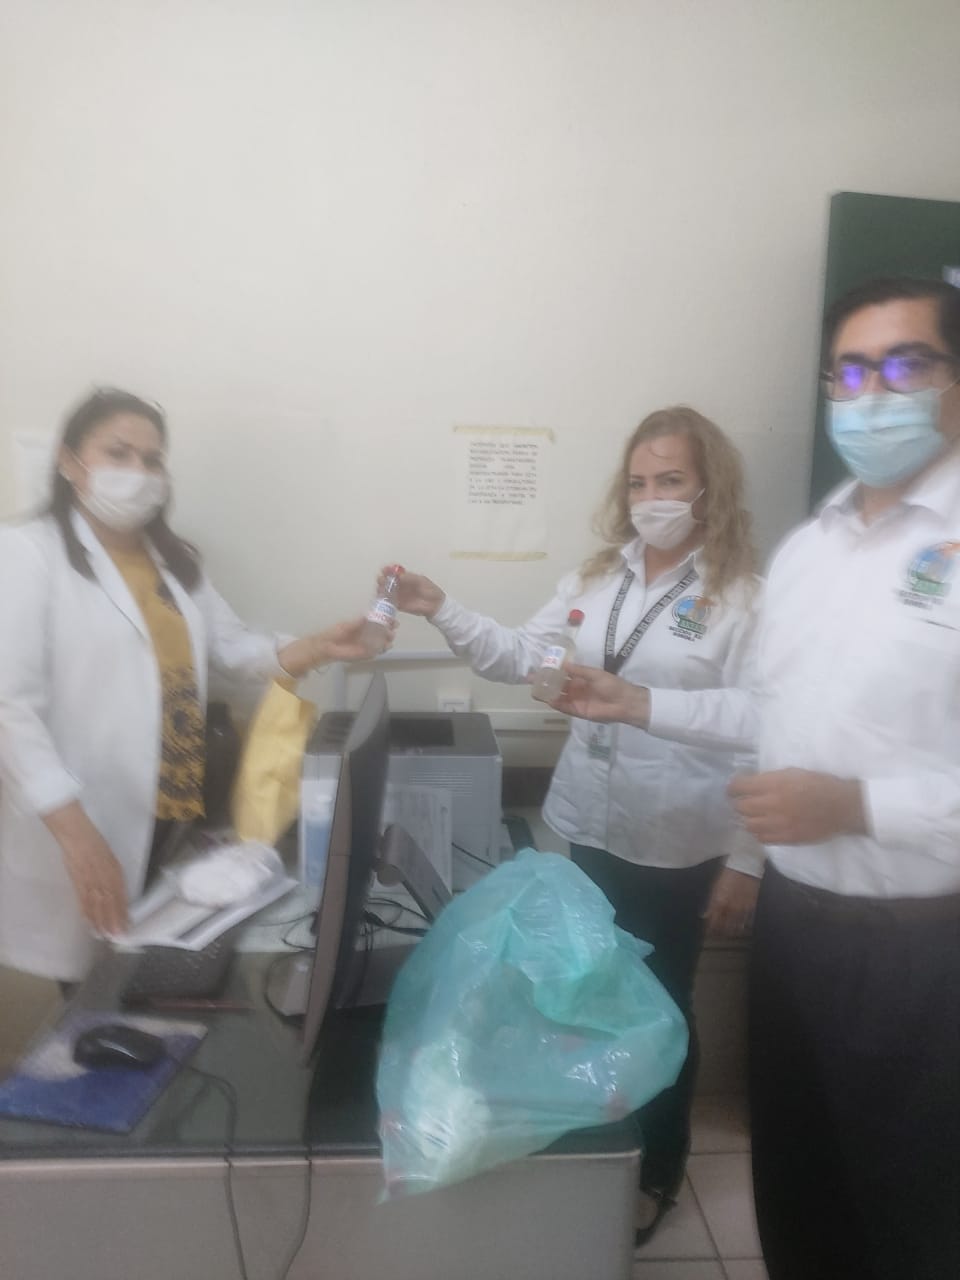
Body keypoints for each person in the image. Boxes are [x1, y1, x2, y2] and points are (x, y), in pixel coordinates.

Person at [548, 278, 960, 1280]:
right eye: (849, 372)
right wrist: (637, 703)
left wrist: (857, 805)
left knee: (908, 1208)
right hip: (796, 925)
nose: (871, 394)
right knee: (800, 1189)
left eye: (903, 365)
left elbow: (839, 780)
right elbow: (764, 717)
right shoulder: (815, 553)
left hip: (923, 942)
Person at [385, 405, 764, 1238]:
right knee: (586, 988)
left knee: (660, 1006)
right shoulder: (597, 578)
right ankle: (599, 1152)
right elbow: (519, 655)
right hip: (588, 819)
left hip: (678, 839)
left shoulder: (741, 597)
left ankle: (656, 1171)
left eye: (670, 480)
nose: (651, 497)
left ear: (709, 488)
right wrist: (440, 606)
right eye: (638, 482)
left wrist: (748, 860)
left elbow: (766, 727)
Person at [0, 388, 379, 985]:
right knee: (97, 982)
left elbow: (232, 648)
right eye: (117, 453)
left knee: (148, 970)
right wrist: (77, 837)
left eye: (151, 460)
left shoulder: (172, 560)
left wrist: (320, 646)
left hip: (169, 813)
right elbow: (10, 708)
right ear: (70, 461)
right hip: (81, 816)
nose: (137, 472)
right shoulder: (26, 553)